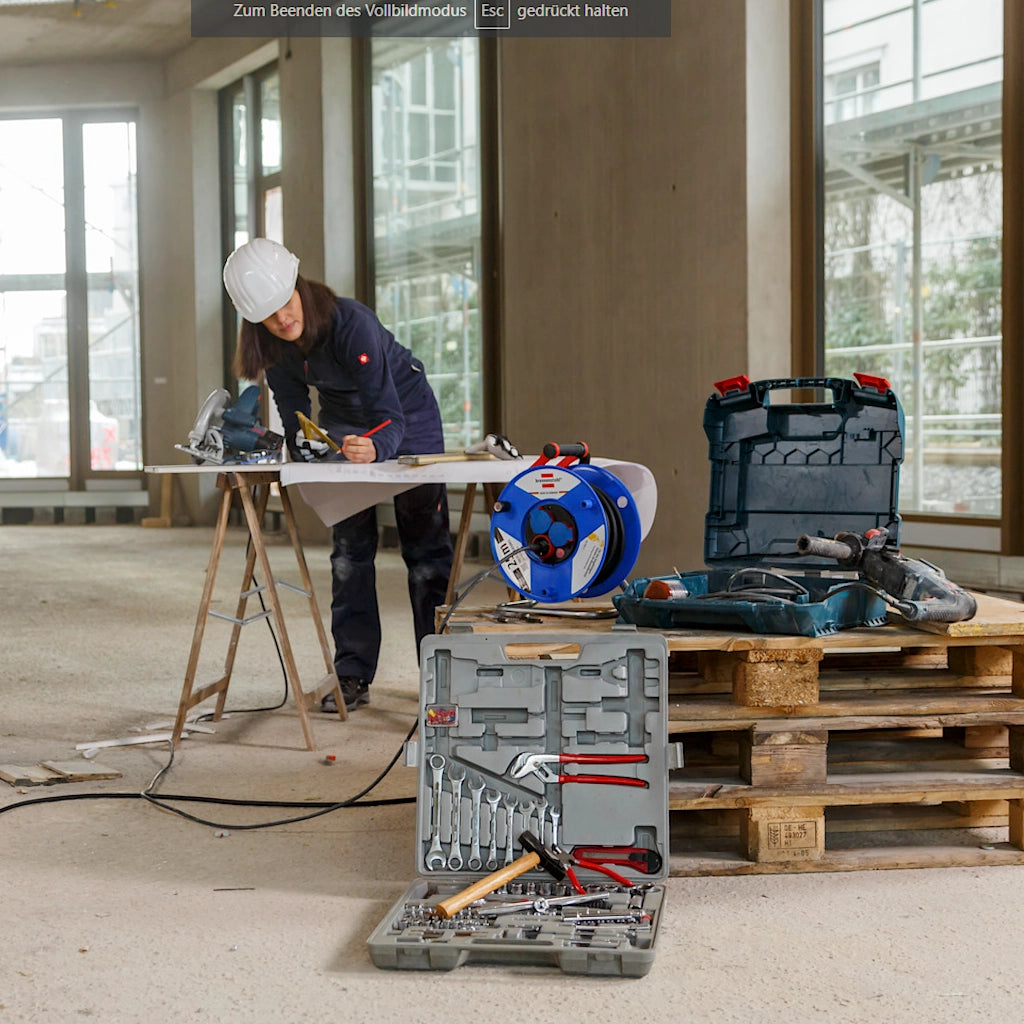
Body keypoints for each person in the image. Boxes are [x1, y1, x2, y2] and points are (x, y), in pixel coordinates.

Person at [222, 237, 454, 713]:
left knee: (426, 558)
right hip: (345, 426)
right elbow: (293, 409)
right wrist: (303, 444)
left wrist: (377, 447)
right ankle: (352, 673)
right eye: (268, 315)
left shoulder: (353, 324)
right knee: (349, 556)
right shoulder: (275, 346)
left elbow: (389, 414)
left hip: (407, 421)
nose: (282, 319)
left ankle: (441, 678)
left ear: (299, 285)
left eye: (285, 304)